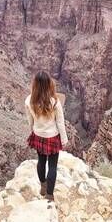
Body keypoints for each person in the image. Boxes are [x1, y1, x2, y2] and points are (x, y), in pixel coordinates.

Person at [25, 71, 68, 201]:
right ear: (49, 84)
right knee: (53, 166)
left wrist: (33, 131)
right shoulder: (54, 101)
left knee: (41, 161)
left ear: (35, 85)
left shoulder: (29, 100)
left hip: (38, 135)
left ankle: (43, 186)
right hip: (53, 136)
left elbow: (30, 120)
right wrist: (64, 139)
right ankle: (49, 195)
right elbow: (60, 122)